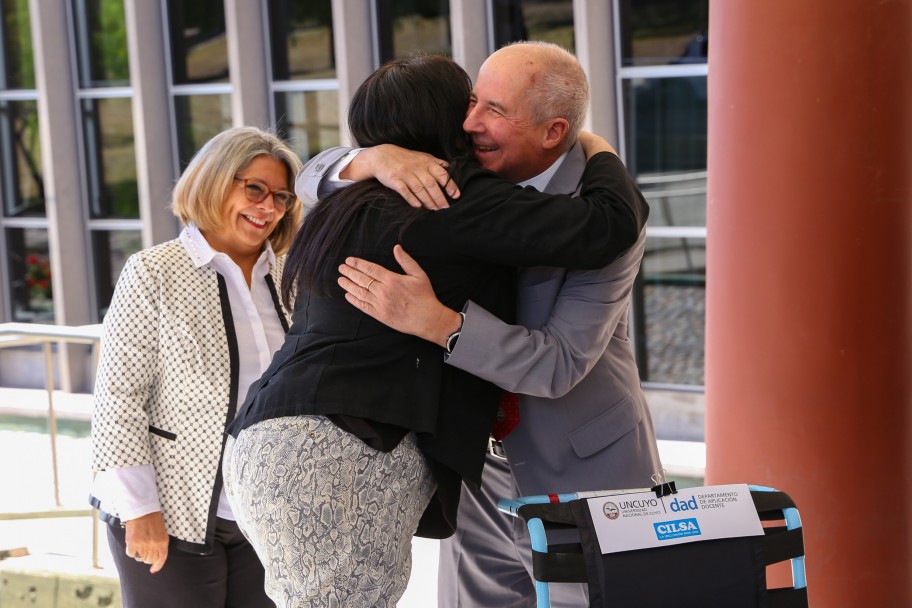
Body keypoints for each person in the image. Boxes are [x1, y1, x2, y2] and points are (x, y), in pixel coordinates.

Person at [222, 54, 648, 608]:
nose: (471, 122)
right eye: (468, 103)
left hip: (570, 470)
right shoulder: (431, 189)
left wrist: (439, 324)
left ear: (554, 131)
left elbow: (559, 359)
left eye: (490, 108)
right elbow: (309, 175)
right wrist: (376, 158)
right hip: (442, 467)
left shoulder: (397, 197)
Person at [89, 126, 303, 608]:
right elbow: (118, 398)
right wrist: (140, 510)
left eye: (281, 197)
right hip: (171, 514)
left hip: (267, 515)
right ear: (214, 180)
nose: (267, 208)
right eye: (254, 189)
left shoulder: (294, 276)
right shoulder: (154, 272)